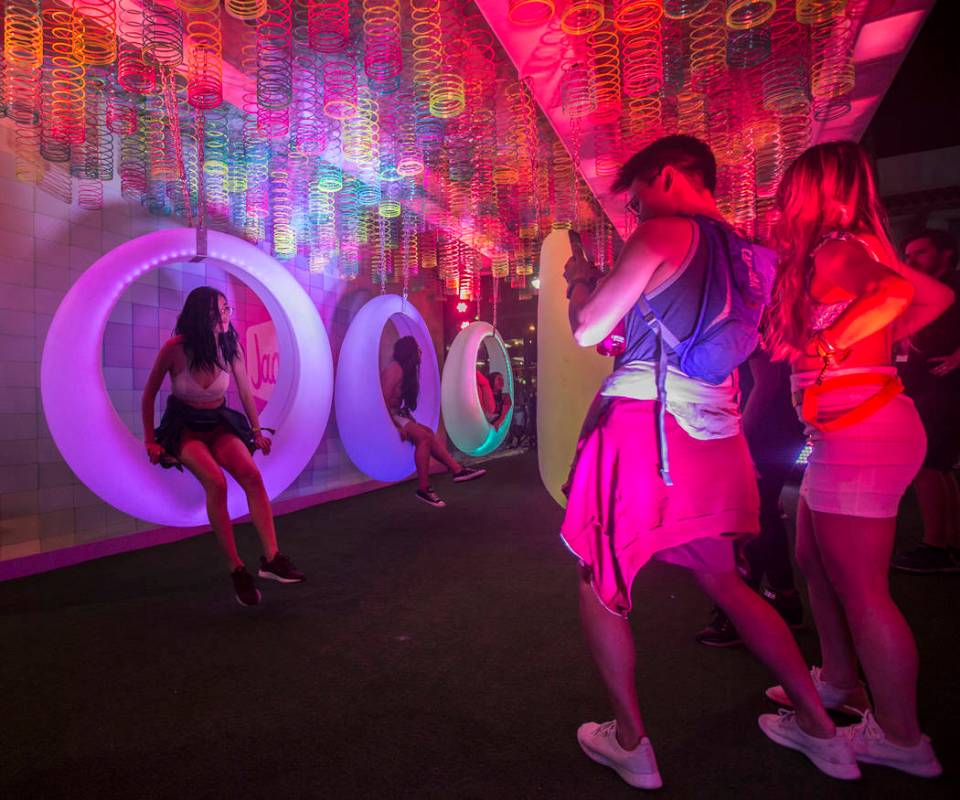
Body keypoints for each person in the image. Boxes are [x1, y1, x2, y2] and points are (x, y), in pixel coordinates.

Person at [561, 135, 857, 789]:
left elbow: (588, 330)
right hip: (716, 434)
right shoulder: (757, 256)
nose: (637, 215)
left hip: (645, 431)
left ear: (667, 177)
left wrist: (581, 281)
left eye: (638, 200)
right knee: (727, 581)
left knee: (599, 583)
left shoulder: (664, 233)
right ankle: (820, 729)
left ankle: (631, 743)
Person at [764, 142, 952, 778]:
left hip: (864, 436)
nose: (782, 201)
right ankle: (839, 682)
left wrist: (830, 344)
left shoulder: (838, 248)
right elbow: (933, 300)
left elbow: (899, 291)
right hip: (848, 438)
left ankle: (901, 739)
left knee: (865, 591)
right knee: (814, 561)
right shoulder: (855, 249)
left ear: (820, 192)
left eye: (793, 189)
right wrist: (872, 336)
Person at [142, 286, 305, 607]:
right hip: (185, 426)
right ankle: (236, 569)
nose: (225, 315)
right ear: (200, 316)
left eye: (227, 308)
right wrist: (150, 439)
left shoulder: (231, 346)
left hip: (218, 421)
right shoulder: (174, 349)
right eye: (218, 311)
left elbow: (244, 392)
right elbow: (148, 396)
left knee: (252, 476)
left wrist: (257, 431)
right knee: (215, 482)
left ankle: (271, 558)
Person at [695, 347, 806, 647]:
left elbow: (766, 381)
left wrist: (739, 436)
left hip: (766, 431)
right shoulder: (768, 310)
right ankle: (784, 599)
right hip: (781, 426)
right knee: (762, 511)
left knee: (751, 515)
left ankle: (741, 613)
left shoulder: (759, 310)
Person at [892, 229, 960, 573]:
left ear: (946, 253)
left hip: (942, 386)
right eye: (908, 254)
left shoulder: (954, 286)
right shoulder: (926, 288)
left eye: (920, 252)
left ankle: (934, 547)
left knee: (927, 465)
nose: (912, 260)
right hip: (928, 384)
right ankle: (948, 543)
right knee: (939, 466)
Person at [381, 336, 485, 508]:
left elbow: (398, 402)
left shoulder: (405, 371)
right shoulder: (395, 368)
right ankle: (424, 488)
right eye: (417, 348)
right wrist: (394, 425)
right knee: (423, 437)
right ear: (409, 351)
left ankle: (457, 471)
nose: (421, 351)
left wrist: (406, 419)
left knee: (428, 433)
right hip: (386, 415)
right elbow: (382, 400)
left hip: (396, 414)